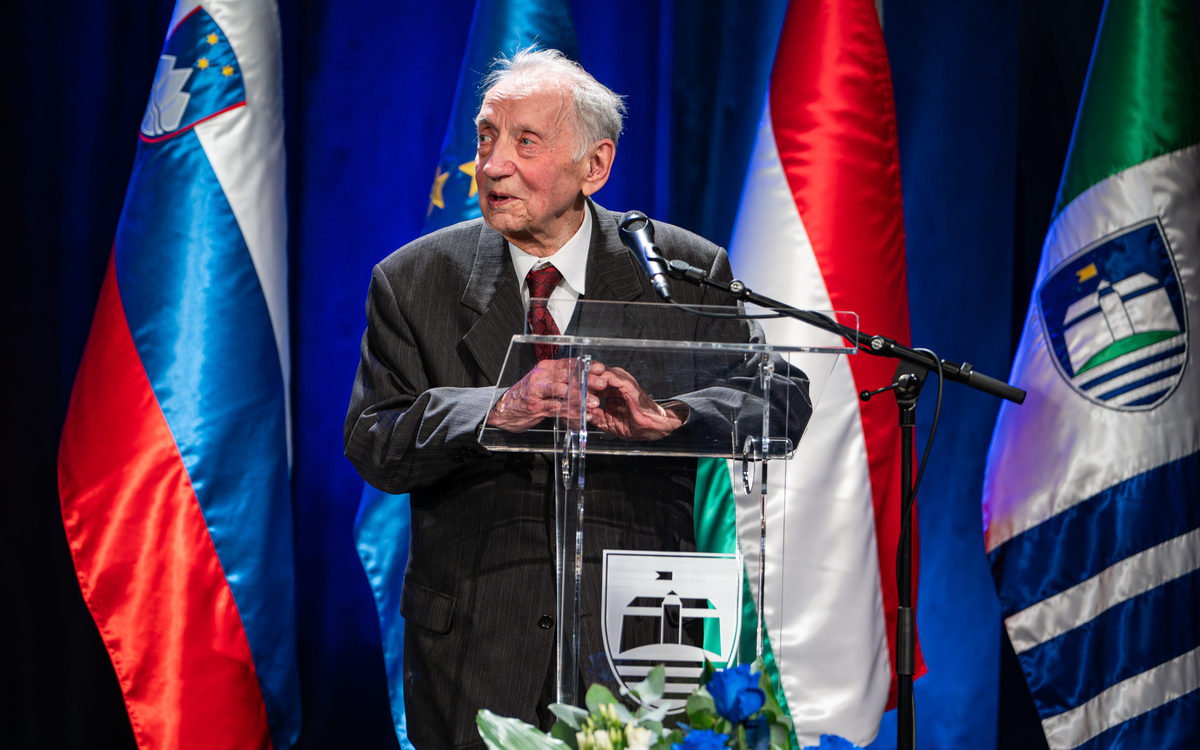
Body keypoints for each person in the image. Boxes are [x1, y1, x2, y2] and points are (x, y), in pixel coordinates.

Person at [345, 48, 803, 750]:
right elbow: (375, 440)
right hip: (475, 648)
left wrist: (673, 418)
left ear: (595, 165)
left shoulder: (680, 272)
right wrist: (497, 410)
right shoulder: (413, 280)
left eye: (525, 142)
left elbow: (778, 400)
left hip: (643, 641)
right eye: (486, 138)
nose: (492, 165)